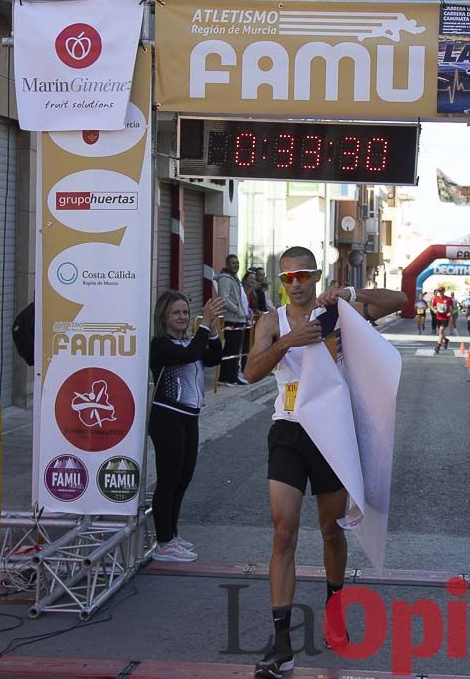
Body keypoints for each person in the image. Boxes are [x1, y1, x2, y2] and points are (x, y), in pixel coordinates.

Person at [242, 246, 405, 677]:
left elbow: (400, 302)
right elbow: (250, 371)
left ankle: (335, 607)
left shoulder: (336, 311)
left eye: (303, 276)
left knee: (332, 531)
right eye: (287, 277)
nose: (295, 284)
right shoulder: (270, 321)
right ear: (281, 282)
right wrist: (290, 342)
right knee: (283, 532)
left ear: (315, 277)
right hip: (290, 430)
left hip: (332, 431)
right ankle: (282, 643)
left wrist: (348, 293)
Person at [148, 291, 226, 562]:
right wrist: (204, 325)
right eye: (176, 313)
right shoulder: (159, 346)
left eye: (185, 312)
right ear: (164, 318)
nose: (182, 317)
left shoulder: (190, 342)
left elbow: (213, 358)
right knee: (168, 479)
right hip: (167, 418)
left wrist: (213, 331)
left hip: (189, 417)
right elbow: (193, 352)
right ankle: (163, 541)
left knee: (184, 478)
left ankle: (172, 533)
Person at [217, 255, 249, 386]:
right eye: (233, 263)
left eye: (237, 263)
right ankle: (227, 377)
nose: (236, 265)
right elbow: (224, 299)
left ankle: (233, 375)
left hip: (240, 319)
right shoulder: (225, 279)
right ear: (227, 264)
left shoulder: (234, 278)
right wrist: (238, 310)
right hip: (232, 319)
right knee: (231, 350)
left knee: (236, 350)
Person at [431, 288, 453, 353]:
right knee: (441, 332)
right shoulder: (436, 299)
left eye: (441, 291)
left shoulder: (448, 299)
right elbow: (432, 306)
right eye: (439, 291)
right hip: (438, 317)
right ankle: (446, 340)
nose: (440, 292)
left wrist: (450, 313)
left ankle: (438, 346)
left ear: (444, 291)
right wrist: (434, 310)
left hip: (445, 318)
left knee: (441, 330)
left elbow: (452, 308)